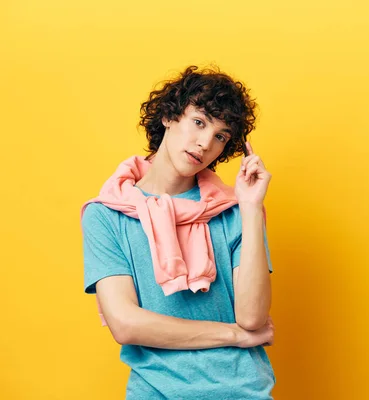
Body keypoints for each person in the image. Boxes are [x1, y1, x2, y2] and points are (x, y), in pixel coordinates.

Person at [80, 65, 276, 399]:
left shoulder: (233, 211)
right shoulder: (107, 214)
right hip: (154, 391)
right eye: (198, 122)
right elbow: (125, 324)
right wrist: (234, 336)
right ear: (169, 117)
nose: (204, 143)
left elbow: (253, 317)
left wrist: (251, 207)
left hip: (241, 389)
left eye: (220, 136)